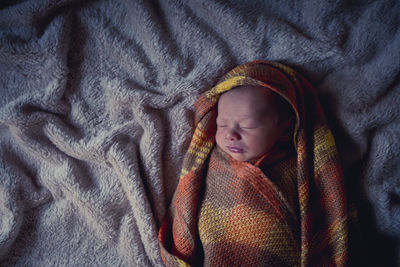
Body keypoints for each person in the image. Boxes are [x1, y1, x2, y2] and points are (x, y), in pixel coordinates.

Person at [159, 60, 348, 267]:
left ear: (285, 130)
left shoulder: (301, 170)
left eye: (248, 126)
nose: (230, 134)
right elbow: (185, 205)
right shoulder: (209, 164)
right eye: (221, 124)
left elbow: (326, 218)